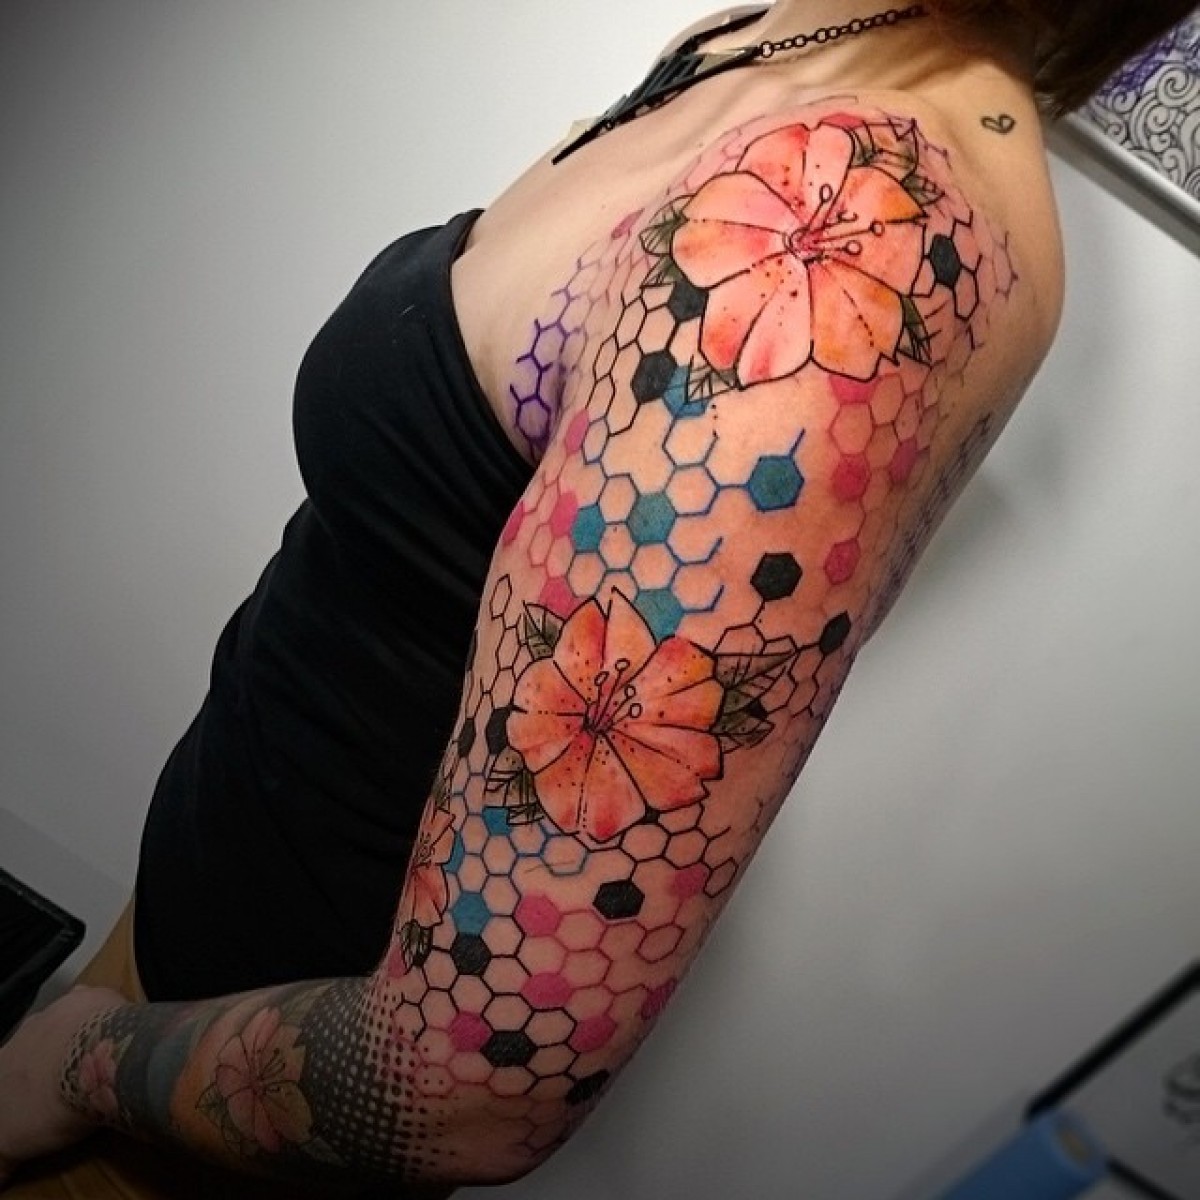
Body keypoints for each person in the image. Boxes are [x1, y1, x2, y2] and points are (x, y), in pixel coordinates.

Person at [0, 1, 1193, 1195]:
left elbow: (462, 1086)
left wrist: (82, 1068)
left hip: (204, 1127)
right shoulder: (768, 38)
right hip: (174, 956)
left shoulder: (863, 224)